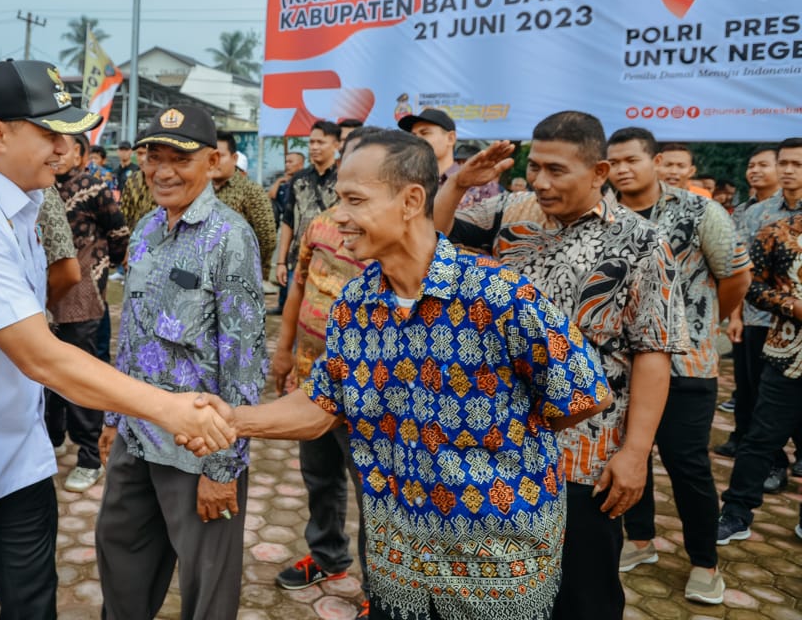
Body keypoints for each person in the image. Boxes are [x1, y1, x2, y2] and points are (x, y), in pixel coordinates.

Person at [0, 61, 234, 620]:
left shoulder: (20, 203)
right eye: (50, 134)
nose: (64, 148)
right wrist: (168, 409)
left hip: (16, 451)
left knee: (32, 602)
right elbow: (42, 354)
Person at [212, 129, 611, 620]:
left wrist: (502, 445)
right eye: (339, 199)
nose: (339, 216)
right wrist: (231, 420)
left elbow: (584, 396)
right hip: (397, 556)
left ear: (411, 200)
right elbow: (322, 405)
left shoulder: (498, 294)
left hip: (496, 558)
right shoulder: (355, 304)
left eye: (355, 200)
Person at [435, 111, 683, 620]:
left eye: (557, 171)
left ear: (599, 172)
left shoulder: (642, 243)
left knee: (581, 593)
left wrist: (635, 454)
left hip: (582, 455)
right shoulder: (508, 215)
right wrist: (460, 182)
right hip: (492, 445)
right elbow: (426, 239)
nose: (541, 182)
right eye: (535, 166)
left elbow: (653, 352)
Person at [95, 105, 267, 620]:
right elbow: (131, 333)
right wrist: (111, 418)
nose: (163, 171)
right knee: (118, 552)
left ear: (213, 162)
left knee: (206, 585)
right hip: (136, 433)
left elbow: (243, 361)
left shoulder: (230, 237)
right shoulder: (146, 227)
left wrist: (224, 468)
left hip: (198, 450)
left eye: (180, 158)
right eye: (153, 157)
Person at [607, 127, 749, 604]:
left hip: (687, 366)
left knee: (687, 466)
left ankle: (705, 563)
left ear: (655, 161)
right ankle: (641, 540)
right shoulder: (604, 211)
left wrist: (698, 322)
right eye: (614, 161)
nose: (622, 170)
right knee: (630, 453)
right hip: (619, 364)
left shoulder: (699, 210)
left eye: (632, 160)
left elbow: (734, 275)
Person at [268, 126, 378, 616]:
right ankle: (329, 557)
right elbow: (297, 289)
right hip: (311, 381)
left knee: (374, 491)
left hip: (367, 396)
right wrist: (284, 350)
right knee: (319, 477)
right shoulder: (319, 224)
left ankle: (384, 590)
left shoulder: (386, 237)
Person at [718, 137, 802, 544]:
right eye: (784, 163)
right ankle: (736, 512)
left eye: (797, 164)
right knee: (760, 431)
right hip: (783, 346)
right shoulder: (775, 227)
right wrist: (791, 306)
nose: (789, 171)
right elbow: (751, 284)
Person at [47, 134, 130, 492]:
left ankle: (89, 457)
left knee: (80, 375)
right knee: (46, 372)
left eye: (63, 146)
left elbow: (120, 233)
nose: (55, 152)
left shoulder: (94, 186)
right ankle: (53, 437)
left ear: (79, 153)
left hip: (82, 295)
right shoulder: (39, 184)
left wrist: (98, 267)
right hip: (46, 293)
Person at [275, 121, 340, 312]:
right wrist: (281, 262)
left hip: (333, 263)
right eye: (311, 142)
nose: (314, 147)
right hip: (299, 261)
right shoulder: (299, 179)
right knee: (296, 314)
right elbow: (288, 221)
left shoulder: (343, 178)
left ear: (336, 145)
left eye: (320, 142)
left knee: (327, 316)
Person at [399, 107, 500, 206]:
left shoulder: (479, 183)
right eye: (413, 136)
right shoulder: (406, 185)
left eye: (425, 133)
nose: (417, 140)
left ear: (451, 138)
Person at [213, 130, 277, 282]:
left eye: (220, 156)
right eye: (210, 157)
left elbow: (267, 238)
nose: (214, 161)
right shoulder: (199, 190)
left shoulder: (251, 191)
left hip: (238, 276)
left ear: (234, 158)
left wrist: (250, 267)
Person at [120, 142, 156, 230]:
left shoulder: (166, 181)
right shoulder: (132, 180)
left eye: (147, 153)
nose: (143, 159)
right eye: (140, 153)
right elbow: (124, 214)